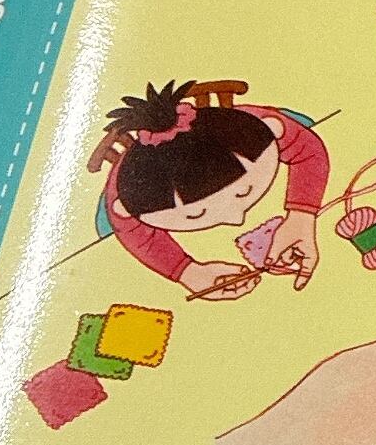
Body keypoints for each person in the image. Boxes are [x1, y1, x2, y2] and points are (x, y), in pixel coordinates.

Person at [96, 80, 329, 300]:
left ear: (273, 131)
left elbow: (307, 149)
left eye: (244, 192)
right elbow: (133, 232)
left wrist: (302, 216)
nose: (236, 219)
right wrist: (187, 272)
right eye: (195, 214)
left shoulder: (250, 128)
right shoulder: (127, 200)